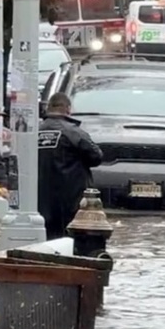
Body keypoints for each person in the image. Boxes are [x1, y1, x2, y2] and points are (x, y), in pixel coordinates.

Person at [38, 93, 103, 239]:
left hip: (40, 200)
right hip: (71, 198)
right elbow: (96, 156)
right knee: (71, 240)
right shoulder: (74, 132)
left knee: (47, 239)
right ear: (68, 109)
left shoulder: (34, 131)